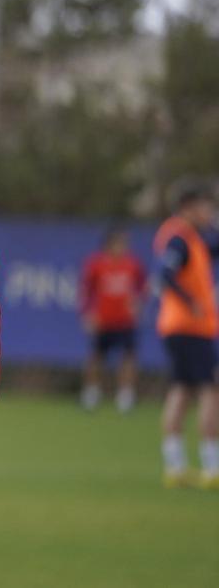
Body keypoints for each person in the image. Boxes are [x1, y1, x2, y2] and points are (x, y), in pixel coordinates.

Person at [154, 183, 219, 488]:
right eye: (205, 207)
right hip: (189, 327)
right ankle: (211, 465)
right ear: (189, 207)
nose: (209, 213)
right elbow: (165, 273)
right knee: (210, 390)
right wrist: (190, 300)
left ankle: (176, 465)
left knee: (181, 392)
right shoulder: (179, 237)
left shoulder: (192, 238)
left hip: (183, 327)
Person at [79, 226, 146, 412]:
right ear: (109, 245)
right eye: (118, 244)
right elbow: (85, 290)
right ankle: (91, 393)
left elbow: (143, 286)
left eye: (124, 244)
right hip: (103, 320)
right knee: (96, 358)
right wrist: (87, 313)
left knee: (128, 358)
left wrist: (138, 302)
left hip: (125, 320)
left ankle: (125, 396)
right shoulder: (96, 265)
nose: (123, 247)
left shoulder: (133, 264)